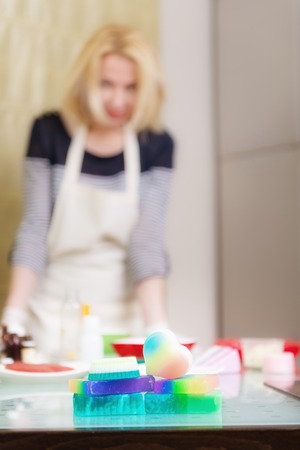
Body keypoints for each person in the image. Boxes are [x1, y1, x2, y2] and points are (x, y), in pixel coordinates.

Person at [1, 24, 174, 360]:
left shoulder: (156, 146)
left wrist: (158, 328)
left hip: (122, 322)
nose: (118, 100)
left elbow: (147, 240)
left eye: (132, 87)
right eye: (106, 84)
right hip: (50, 316)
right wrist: (14, 316)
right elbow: (35, 229)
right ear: (85, 81)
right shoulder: (49, 133)